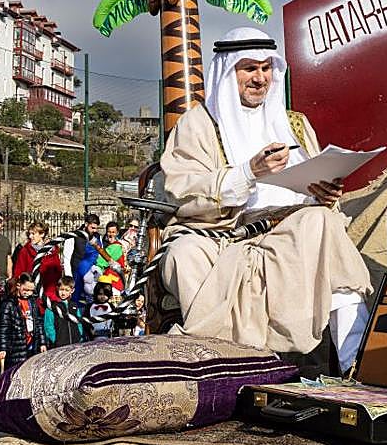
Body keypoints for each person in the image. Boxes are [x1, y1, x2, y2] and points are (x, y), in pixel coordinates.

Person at [159, 27, 372, 372]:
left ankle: (356, 365)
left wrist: (327, 195)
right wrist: (247, 172)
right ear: (229, 71)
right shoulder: (198, 124)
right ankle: (223, 367)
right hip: (226, 234)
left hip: (292, 228)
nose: (260, 78)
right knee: (183, 255)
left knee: (322, 224)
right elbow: (181, 192)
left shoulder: (295, 126)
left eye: (266, 68)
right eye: (249, 68)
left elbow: (316, 184)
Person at [0, 276, 46, 368]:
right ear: (18, 285)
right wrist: (2, 348)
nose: (28, 293)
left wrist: (42, 343)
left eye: (31, 291)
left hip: (32, 345)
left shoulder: (32, 302)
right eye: (25, 289)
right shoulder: (9, 304)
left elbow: (39, 323)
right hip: (15, 348)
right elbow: (3, 328)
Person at [13, 221, 63, 302]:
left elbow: (58, 270)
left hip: (49, 291)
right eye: (29, 234)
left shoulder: (52, 251)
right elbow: (19, 271)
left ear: (42, 234)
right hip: (31, 291)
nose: (30, 236)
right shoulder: (25, 251)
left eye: (33, 234)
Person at [63, 215, 101, 305]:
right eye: (92, 228)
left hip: (92, 276)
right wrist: (69, 278)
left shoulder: (97, 237)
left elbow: (99, 254)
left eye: (96, 228)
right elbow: (67, 257)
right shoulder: (73, 236)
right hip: (76, 274)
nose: (94, 230)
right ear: (86, 224)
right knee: (75, 302)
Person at [43, 276, 91, 347]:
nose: (63, 293)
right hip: (60, 343)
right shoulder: (52, 307)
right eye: (61, 289)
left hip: (76, 342)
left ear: (72, 291)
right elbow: (48, 325)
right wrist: (55, 339)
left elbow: (79, 321)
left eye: (67, 290)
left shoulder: (74, 305)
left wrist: (79, 334)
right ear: (57, 288)